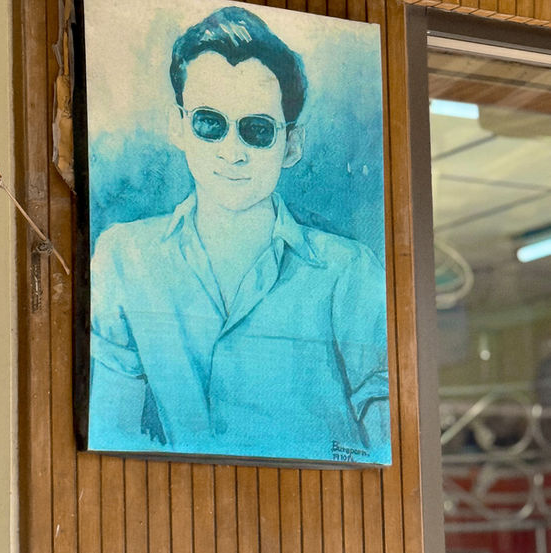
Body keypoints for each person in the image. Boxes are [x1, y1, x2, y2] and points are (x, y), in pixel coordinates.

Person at [89, 6, 390, 463]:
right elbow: (112, 437)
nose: (232, 152)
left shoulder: (351, 273)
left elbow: (385, 446)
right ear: (178, 126)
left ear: (291, 144)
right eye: (209, 123)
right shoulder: (123, 258)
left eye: (257, 130)